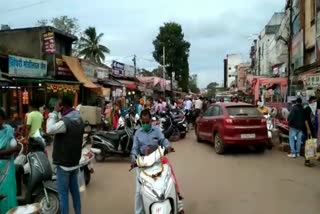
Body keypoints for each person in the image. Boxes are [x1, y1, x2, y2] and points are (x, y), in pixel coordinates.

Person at [131, 109, 184, 214]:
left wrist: (168, 146)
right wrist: (133, 159)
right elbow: (134, 149)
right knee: (139, 191)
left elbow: (163, 140)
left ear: (151, 120)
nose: (145, 124)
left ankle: (178, 206)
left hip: (157, 160)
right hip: (143, 163)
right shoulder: (138, 133)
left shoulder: (157, 131)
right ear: (141, 121)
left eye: (147, 122)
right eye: (143, 122)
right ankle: (139, 212)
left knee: (170, 181)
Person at [46, 96, 84, 214]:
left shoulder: (65, 122)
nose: (56, 106)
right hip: (74, 163)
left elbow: (49, 129)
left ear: (62, 106)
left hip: (64, 165)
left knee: (63, 195)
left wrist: (53, 112)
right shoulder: (78, 118)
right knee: (75, 192)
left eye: (58, 104)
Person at [0, 108, 18, 213]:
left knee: (9, 191)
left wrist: (13, 149)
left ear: (3, 119)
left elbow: (15, 146)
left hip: (8, 168)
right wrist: (9, 151)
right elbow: (12, 149)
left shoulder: (8, 129)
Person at [304, 96, 317, 166]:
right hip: (309, 129)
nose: (315, 102)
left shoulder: (315, 109)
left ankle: (310, 158)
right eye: (314, 101)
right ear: (311, 101)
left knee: (313, 144)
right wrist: (308, 129)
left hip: (314, 129)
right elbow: (305, 120)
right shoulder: (307, 109)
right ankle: (307, 160)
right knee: (308, 145)